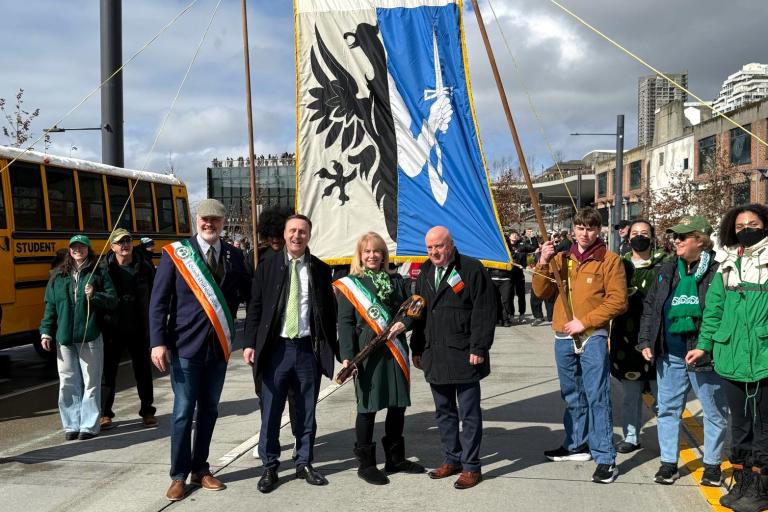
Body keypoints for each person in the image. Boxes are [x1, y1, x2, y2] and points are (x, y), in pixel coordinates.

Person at [149, 199, 250, 502]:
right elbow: (158, 302)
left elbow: (248, 294)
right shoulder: (176, 255)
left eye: (216, 220)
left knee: (209, 410)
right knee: (182, 413)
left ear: (223, 223)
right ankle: (178, 475)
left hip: (218, 348)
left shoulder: (234, 255)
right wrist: (157, 342)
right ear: (197, 220)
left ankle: (201, 469)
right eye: (205, 219)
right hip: (184, 347)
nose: (210, 225)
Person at [243, 214, 338, 494]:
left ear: (309, 235)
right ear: (284, 235)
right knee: (271, 411)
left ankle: (304, 462)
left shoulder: (320, 269)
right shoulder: (267, 266)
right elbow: (255, 308)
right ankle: (270, 465)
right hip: (277, 350)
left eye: (303, 232)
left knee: (306, 410)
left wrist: (339, 352)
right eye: (293, 231)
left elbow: (328, 314)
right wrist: (250, 343)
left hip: (308, 349)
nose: (297, 236)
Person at [533, 207, 627, 484]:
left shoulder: (610, 261)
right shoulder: (561, 259)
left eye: (591, 228)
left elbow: (618, 301)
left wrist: (584, 322)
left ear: (599, 230)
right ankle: (576, 444)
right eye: (580, 228)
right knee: (572, 394)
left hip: (593, 336)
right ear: (573, 229)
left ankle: (606, 457)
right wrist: (543, 262)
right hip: (563, 337)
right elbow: (541, 292)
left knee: (597, 396)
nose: (585, 234)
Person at [637, 215, 727, 488]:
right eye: (674, 236)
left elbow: (719, 315)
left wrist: (705, 346)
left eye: (682, 236)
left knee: (713, 413)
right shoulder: (666, 269)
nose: (675, 241)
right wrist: (645, 341)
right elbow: (651, 308)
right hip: (669, 354)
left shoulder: (719, 271)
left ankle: (711, 466)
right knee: (667, 410)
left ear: (700, 240)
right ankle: (668, 464)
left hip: (704, 356)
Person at [688, 204, 768, 510]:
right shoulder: (727, 262)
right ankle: (743, 481)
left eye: (753, 223)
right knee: (740, 425)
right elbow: (714, 312)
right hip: (731, 355)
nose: (746, 228)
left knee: (763, 427)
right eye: (739, 225)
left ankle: (761, 488)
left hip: (763, 356)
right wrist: (704, 345)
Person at [335, 232, 425, 485]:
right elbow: (344, 323)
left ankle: (395, 459)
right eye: (367, 252)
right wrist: (347, 358)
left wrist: (404, 324)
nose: (372, 255)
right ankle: (366, 464)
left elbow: (415, 306)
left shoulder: (396, 280)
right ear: (360, 255)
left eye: (377, 251)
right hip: (367, 351)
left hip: (395, 348)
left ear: (384, 255)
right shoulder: (350, 283)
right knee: (368, 406)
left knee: (397, 403)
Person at [410, 226, 495, 490]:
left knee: (469, 414)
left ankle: (471, 467)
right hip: (435, 354)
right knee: (444, 413)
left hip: (465, 354)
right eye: (430, 248)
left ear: (451, 244)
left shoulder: (471, 269)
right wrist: (416, 347)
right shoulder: (425, 271)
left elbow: (485, 310)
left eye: (439, 246)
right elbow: (419, 311)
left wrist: (479, 348)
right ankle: (452, 459)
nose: (435, 252)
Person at [39, 235, 117, 441]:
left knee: (91, 382)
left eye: (82, 246)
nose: (77, 250)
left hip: (89, 336)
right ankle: (71, 425)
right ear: (69, 250)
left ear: (88, 249)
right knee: (67, 382)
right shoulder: (58, 275)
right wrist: (46, 331)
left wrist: (95, 295)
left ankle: (89, 425)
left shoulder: (98, 273)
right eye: (74, 247)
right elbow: (51, 307)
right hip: (64, 338)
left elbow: (112, 300)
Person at [610, 220, 666, 454]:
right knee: (630, 393)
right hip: (626, 337)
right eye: (635, 233)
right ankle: (631, 436)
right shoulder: (619, 265)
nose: (639, 237)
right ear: (627, 237)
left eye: (644, 233)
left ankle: (667, 439)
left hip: (657, 337)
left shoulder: (666, 263)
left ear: (652, 236)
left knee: (661, 394)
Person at [99, 228, 157, 430]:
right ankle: (105, 413)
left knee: (143, 371)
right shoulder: (104, 268)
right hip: (113, 328)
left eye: (128, 241)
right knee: (108, 373)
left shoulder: (144, 266)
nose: (124, 245)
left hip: (139, 326)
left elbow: (157, 293)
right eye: (120, 242)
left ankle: (147, 411)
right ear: (112, 246)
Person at [508, 231, 534, 324]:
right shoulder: (506, 245)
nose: (515, 236)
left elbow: (533, 248)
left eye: (516, 235)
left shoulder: (522, 245)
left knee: (521, 295)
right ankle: (510, 314)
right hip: (509, 274)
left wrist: (532, 237)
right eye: (513, 234)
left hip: (519, 274)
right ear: (509, 237)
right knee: (509, 295)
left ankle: (522, 314)